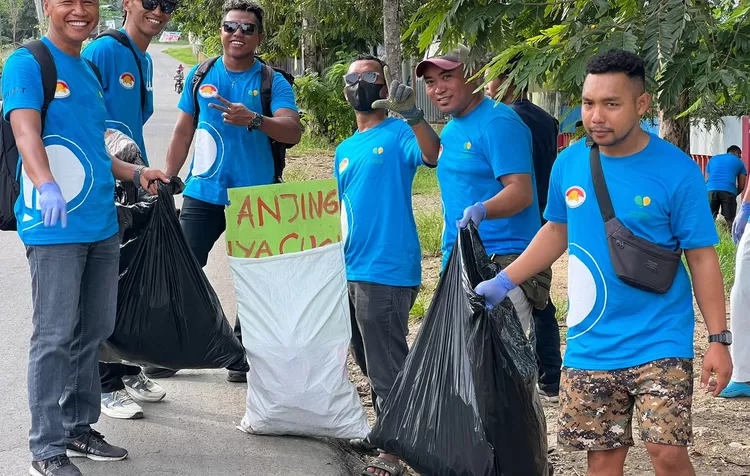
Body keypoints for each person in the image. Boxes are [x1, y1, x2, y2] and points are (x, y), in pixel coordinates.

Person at [474, 49, 732, 476]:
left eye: (611, 104)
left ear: (641, 105)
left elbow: (702, 257)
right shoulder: (569, 163)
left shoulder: (676, 169)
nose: (596, 116)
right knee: (603, 461)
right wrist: (503, 281)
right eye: (589, 102)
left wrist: (718, 339)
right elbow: (556, 231)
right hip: (591, 343)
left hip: (660, 339)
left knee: (667, 455)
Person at [1, 0, 169, 473]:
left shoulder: (87, 69)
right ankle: (46, 447)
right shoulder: (27, 62)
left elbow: (96, 149)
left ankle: (77, 427)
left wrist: (135, 173)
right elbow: (25, 130)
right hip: (54, 224)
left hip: (101, 222)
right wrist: (46, 183)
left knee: (93, 329)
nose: (80, 11)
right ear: (47, 7)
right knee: (54, 335)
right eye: (67, 2)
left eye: (89, 3)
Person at [161, 0, 302, 382]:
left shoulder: (273, 81)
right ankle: (177, 348)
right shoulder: (200, 73)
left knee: (256, 278)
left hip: (256, 199)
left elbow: (292, 131)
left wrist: (254, 119)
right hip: (203, 193)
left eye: (247, 28)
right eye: (231, 26)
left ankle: (241, 352)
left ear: (259, 36)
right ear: (221, 31)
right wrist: (168, 177)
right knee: (183, 270)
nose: (237, 33)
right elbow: (182, 131)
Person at [334, 54, 440, 476]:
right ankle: (391, 429)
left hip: (387, 268)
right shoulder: (344, 148)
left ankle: (395, 451)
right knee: (368, 358)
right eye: (353, 77)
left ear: (384, 85)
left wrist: (414, 115)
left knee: (386, 364)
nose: (360, 82)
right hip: (350, 268)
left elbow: (433, 155)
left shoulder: (398, 133)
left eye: (370, 76)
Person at [83, 0, 175, 420]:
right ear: (126, 4)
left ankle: (125, 367)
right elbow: (84, 119)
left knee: (129, 280)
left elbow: (132, 127)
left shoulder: (144, 59)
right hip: (104, 183)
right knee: (107, 283)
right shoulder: (102, 50)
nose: (159, 11)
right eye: (149, 2)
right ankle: (104, 383)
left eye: (168, 4)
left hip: (131, 181)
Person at [416, 43, 545, 335]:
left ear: (474, 73)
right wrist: (414, 118)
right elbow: (435, 156)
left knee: (493, 371)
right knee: (465, 368)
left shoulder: (498, 122)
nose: (438, 89)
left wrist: (484, 209)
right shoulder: (454, 126)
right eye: (431, 82)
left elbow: (521, 192)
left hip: (499, 265)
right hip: (462, 260)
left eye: (447, 77)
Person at [486, 55, 563, 401]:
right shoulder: (548, 119)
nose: (486, 87)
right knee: (540, 294)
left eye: (490, 80)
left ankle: (541, 373)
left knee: (529, 293)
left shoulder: (505, 120)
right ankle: (551, 373)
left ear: (508, 81)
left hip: (518, 216)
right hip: (547, 211)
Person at [706, 145, 746, 228]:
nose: (740, 157)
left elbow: (707, 178)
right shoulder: (740, 163)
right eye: (740, 155)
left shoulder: (713, 159)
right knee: (730, 219)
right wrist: (734, 194)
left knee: (709, 218)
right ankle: (731, 238)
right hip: (728, 190)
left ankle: (706, 238)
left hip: (710, 190)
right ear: (736, 153)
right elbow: (741, 186)